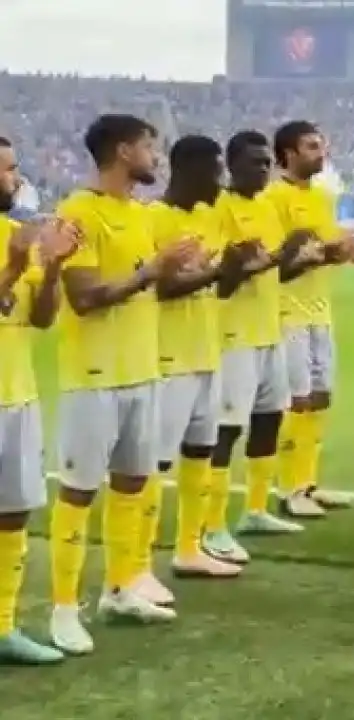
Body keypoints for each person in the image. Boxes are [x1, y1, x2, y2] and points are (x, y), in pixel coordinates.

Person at [50, 114, 194, 654]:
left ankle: (121, 585)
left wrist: (182, 265)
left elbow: (156, 280)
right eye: (148, 148)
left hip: (142, 369)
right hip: (94, 376)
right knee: (80, 490)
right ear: (121, 151)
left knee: (133, 483)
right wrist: (152, 270)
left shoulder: (140, 213)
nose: (155, 158)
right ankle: (65, 607)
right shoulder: (79, 210)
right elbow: (85, 296)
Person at [206, 130, 315, 564]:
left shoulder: (268, 208)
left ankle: (254, 509)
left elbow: (276, 274)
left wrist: (297, 257)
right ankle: (212, 525)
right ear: (232, 166)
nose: (264, 170)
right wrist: (273, 258)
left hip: (269, 330)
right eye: (254, 163)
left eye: (267, 163)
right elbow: (224, 279)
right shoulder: (220, 209)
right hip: (234, 337)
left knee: (269, 419)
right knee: (226, 429)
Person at [145, 135, 243, 591]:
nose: (220, 181)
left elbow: (216, 286)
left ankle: (189, 549)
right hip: (169, 357)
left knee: (200, 451)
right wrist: (215, 270)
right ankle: (137, 565)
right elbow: (162, 288)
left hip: (206, 350)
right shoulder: (156, 218)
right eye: (214, 171)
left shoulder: (207, 217)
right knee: (153, 463)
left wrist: (238, 266)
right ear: (188, 170)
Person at [0, 141, 80, 663]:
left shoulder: (15, 235)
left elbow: (42, 319)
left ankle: (2, 626)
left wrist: (50, 269)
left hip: (17, 394)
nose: (15, 175)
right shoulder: (13, 246)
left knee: (12, 512)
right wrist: (10, 269)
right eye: (5, 168)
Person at [264, 120, 354, 518]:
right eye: (312, 146)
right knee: (296, 402)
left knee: (321, 398)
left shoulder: (320, 197)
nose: (322, 153)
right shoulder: (274, 198)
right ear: (289, 153)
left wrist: (349, 249)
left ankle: (308, 483)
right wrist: (325, 253)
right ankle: (287, 489)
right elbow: (276, 266)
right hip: (288, 314)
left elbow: (323, 249)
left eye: (322, 145)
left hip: (320, 309)